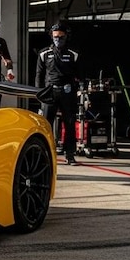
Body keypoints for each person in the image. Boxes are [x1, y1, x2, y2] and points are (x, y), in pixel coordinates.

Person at [35, 22, 82, 165]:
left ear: (66, 37)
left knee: (69, 124)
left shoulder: (73, 54)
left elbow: (80, 74)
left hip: (67, 91)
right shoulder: (44, 53)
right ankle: (44, 153)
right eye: (55, 36)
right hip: (49, 91)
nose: (58, 39)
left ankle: (70, 154)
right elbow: (39, 74)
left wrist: (78, 89)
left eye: (61, 36)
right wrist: (38, 92)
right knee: (45, 124)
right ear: (51, 37)